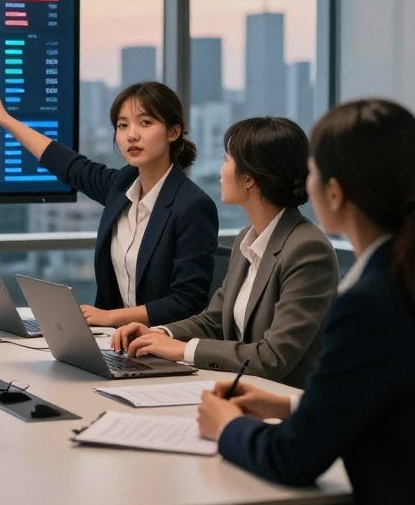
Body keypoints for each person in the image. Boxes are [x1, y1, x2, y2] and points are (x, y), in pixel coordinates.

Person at [197, 99, 415, 505]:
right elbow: (393, 395)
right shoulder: (403, 274)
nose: (305, 183)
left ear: (335, 193)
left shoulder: (368, 301)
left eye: (313, 172)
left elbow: (292, 459)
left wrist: (226, 427)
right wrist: (289, 404)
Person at [0, 80, 218, 327]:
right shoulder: (121, 186)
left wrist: (110, 317)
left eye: (145, 123)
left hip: (162, 346)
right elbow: (68, 165)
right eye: (122, 126)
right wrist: (5, 119)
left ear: (173, 132)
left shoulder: (192, 206)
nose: (131, 135)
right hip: (114, 341)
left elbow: (187, 302)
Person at [111, 117, 338, 386]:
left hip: (282, 402)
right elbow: (215, 320)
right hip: (241, 389)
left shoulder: (308, 250)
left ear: (249, 179)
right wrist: (160, 333)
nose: (221, 171)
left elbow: (273, 357)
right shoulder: (248, 239)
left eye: (227, 160)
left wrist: (184, 350)